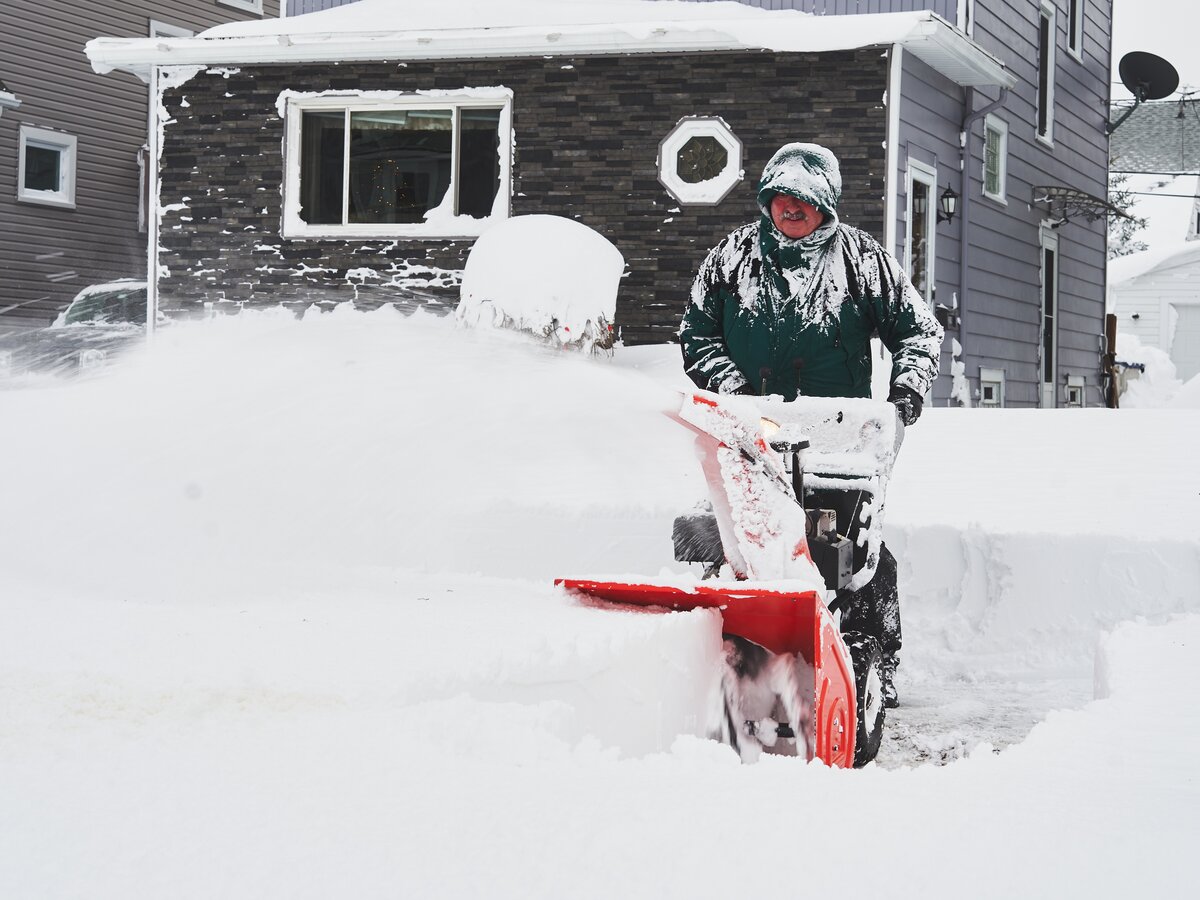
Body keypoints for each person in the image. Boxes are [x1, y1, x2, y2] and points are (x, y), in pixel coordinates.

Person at [679, 142, 944, 707]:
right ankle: (705, 655)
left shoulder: (862, 260)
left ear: (827, 204)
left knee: (854, 556)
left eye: (805, 199)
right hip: (748, 437)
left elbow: (920, 331)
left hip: (838, 442)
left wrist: (903, 398)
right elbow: (697, 332)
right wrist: (733, 390)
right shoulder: (731, 259)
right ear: (767, 200)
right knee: (716, 538)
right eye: (782, 198)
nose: (792, 209)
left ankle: (873, 666)